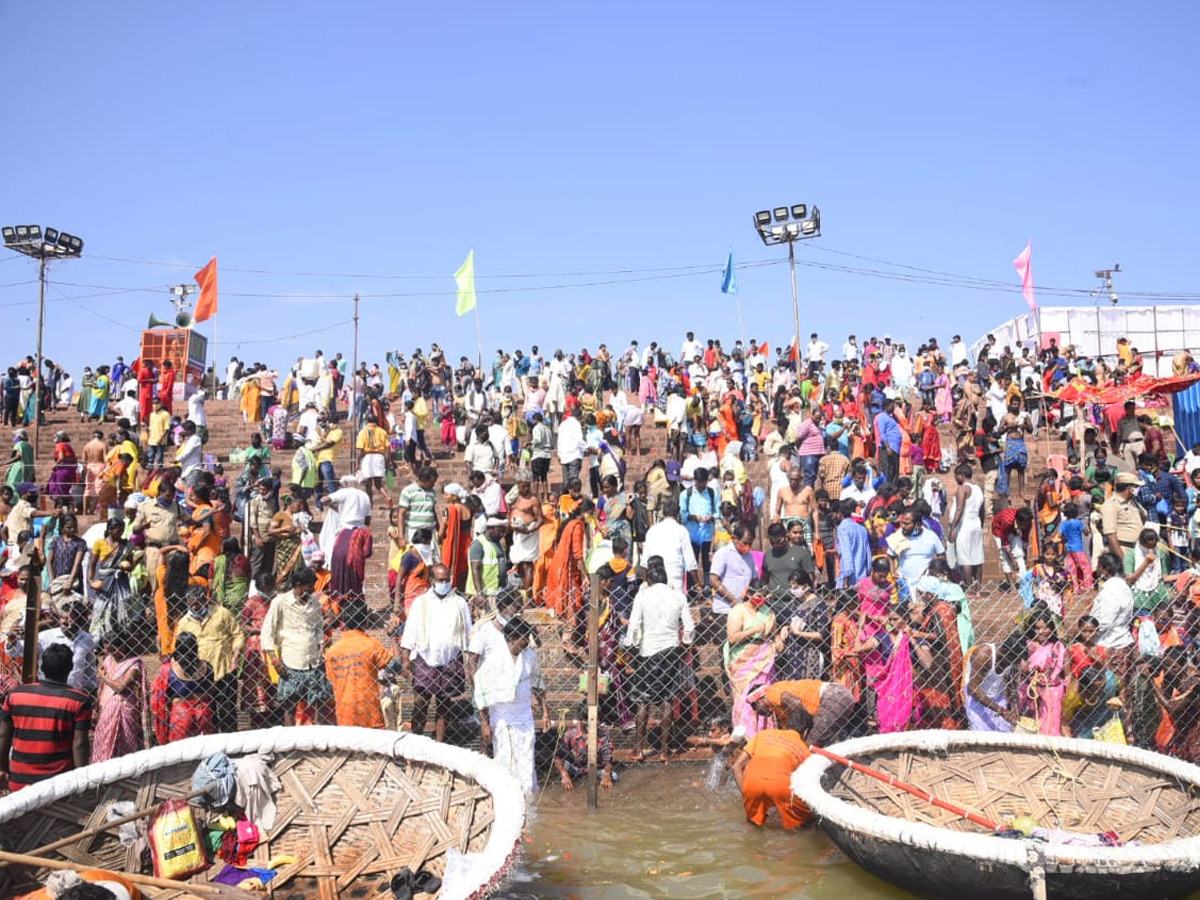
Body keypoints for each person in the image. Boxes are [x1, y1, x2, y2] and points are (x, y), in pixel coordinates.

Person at [623, 556, 695, 760]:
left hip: (648, 653)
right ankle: (664, 751)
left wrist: (630, 648)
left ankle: (639, 749)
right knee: (667, 700)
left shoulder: (643, 596)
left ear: (651, 580)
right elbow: (689, 628)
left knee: (642, 700)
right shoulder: (678, 596)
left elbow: (634, 626)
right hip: (671, 651)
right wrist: (685, 648)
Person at [470, 614, 547, 794]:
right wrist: (484, 723)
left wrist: (545, 712)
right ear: (511, 639)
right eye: (522, 639)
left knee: (527, 761)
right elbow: (480, 692)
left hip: (524, 715)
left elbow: (538, 682)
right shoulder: (494, 659)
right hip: (502, 716)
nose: (526, 643)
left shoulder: (529, 656)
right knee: (507, 761)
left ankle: (528, 799)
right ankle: (508, 799)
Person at [0, 643, 90, 790]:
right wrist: (83, 780)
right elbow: (80, 744)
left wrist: (2, 768)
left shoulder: (16, 695)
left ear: (42, 667)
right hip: (57, 786)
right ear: (70, 668)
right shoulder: (78, 701)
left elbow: (3, 735)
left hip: (19, 780)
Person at [402, 563, 473, 742]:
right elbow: (410, 631)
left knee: (444, 705)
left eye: (447, 579)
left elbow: (467, 633)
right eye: (440, 580)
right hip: (426, 658)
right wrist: (405, 659)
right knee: (421, 702)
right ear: (432, 581)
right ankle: (416, 741)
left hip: (450, 658)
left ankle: (439, 744)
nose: (444, 583)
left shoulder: (459, 603)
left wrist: (471, 661)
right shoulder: (421, 602)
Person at [261, 567, 333, 726]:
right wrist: (274, 659)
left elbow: (318, 628)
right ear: (298, 585)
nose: (313, 590)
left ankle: (317, 741)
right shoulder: (280, 602)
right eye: (310, 587)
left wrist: (321, 647)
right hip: (290, 662)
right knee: (289, 705)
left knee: (319, 702)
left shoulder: (314, 602)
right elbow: (267, 633)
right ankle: (290, 742)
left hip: (313, 662)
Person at [173, 585, 245, 735]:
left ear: (204, 599)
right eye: (191, 603)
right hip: (201, 676)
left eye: (198, 602)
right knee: (207, 714)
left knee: (227, 712)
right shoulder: (184, 623)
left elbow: (237, 635)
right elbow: (179, 648)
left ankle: (231, 744)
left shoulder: (221, 613)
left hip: (224, 671)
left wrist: (235, 658)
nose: (195, 606)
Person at [729, 709, 814, 830]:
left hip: (752, 785)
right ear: (805, 732)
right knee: (806, 824)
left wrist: (746, 795)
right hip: (782, 788)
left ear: (785, 725)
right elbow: (807, 784)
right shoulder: (804, 750)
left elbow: (736, 767)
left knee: (753, 828)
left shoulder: (762, 735)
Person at [325, 599, 393, 728]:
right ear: (366, 621)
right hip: (370, 713)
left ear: (343, 622)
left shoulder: (332, 651)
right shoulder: (372, 645)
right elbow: (395, 668)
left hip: (344, 715)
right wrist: (393, 636)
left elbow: (330, 681)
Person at [724, 585, 778, 738]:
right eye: (758, 596)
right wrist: (754, 630)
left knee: (763, 699)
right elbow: (732, 638)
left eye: (764, 597)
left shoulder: (767, 612)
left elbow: (773, 634)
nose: (761, 600)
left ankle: (765, 734)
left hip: (764, 662)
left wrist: (779, 638)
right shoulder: (738, 611)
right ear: (749, 594)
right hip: (743, 663)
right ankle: (746, 736)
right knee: (746, 701)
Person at [91, 629, 147, 762]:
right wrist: (97, 705)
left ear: (122, 646)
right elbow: (102, 687)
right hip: (106, 706)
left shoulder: (134, 664)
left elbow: (121, 687)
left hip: (124, 707)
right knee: (104, 739)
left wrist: (103, 676)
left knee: (125, 742)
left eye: (112, 649)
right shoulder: (108, 660)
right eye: (107, 650)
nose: (109, 653)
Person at [149, 631, 214, 744]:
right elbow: (212, 689)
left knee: (180, 751)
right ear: (196, 648)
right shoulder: (207, 666)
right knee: (205, 748)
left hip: (181, 715)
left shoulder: (168, 669)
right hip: (203, 711)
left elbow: (158, 698)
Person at [753, 679, 857, 747]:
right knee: (815, 743)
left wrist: (808, 726)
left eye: (755, 706)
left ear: (760, 699)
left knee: (810, 745)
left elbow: (797, 704)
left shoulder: (771, 693)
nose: (756, 711)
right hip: (836, 695)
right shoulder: (778, 709)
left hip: (832, 697)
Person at [1090, 552, 1136, 679]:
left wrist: (1087, 633)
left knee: (1110, 685)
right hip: (1122, 639)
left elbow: (1105, 622)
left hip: (1110, 643)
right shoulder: (1123, 586)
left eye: (1099, 566)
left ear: (1106, 569)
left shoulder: (1110, 591)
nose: (1097, 569)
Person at [1022, 613, 1067, 736]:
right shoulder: (1028, 646)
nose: (1040, 632)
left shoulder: (1057, 647)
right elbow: (1021, 668)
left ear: (1052, 629)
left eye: (1045, 628)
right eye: (1037, 628)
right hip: (1030, 691)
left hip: (1051, 692)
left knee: (1050, 725)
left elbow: (1062, 671)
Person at [641, 499, 697, 593]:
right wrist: (698, 584)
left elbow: (644, 562)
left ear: (663, 513)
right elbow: (690, 561)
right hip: (675, 578)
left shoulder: (652, 530)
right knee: (676, 606)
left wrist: (645, 582)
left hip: (655, 579)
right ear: (677, 514)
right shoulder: (682, 531)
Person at [553, 706, 616, 790]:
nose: (592, 723)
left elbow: (608, 758)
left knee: (614, 777)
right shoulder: (571, 734)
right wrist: (564, 774)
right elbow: (557, 757)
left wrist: (607, 774)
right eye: (587, 720)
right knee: (561, 774)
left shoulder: (603, 735)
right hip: (575, 768)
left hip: (596, 769)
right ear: (581, 720)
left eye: (596, 719)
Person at [947, 463, 985, 587]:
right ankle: (978, 586)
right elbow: (982, 511)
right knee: (977, 557)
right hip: (976, 525)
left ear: (961, 475)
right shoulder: (978, 489)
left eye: (956, 476)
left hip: (964, 526)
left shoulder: (962, 489)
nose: (955, 478)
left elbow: (959, 509)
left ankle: (969, 588)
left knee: (965, 559)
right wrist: (981, 525)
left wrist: (952, 528)